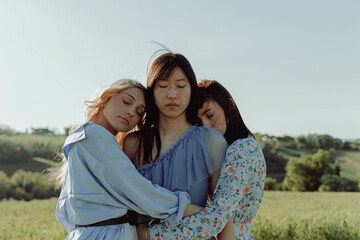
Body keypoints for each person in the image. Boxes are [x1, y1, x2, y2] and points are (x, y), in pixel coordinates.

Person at [53, 79, 202, 240]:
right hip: (106, 234)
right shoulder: (94, 136)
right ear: (106, 98)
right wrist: (188, 208)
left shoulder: (84, 139)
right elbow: (136, 188)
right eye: (126, 101)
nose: (131, 112)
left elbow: (64, 212)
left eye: (139, 112)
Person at [140, 80, 266, 240]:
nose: (207, 125)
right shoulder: (225, 150)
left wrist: (149, 234)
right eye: (199, 122)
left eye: (210, 115)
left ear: (230, 106)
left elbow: (217, 218)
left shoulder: (241, 150)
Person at [123, 53, 228, 213]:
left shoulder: (210, 141)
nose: (172, 94)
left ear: (191, 89)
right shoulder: (133, 144)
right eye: (163, 86)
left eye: (180, 86)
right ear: (152, 91)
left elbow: (222, 214)